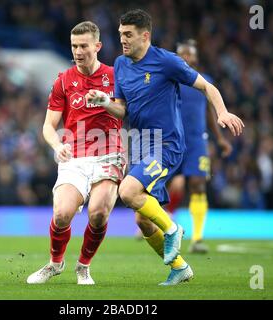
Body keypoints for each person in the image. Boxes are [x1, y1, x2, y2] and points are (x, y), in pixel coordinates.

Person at [86, 9, 244, 285]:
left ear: (145, 36)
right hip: (139, 145)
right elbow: (122, 110)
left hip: (166, 144)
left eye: (128, 35)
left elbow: (208, 87)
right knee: (143, 221)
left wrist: (222, 113)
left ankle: (173, 229)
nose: (122, 39)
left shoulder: (167, 62)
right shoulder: (121, 65)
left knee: (128, 191)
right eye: (121, 34)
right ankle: (180, 267)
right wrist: (104, 102)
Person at [27, 21, 124, 285]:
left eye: (83, 46)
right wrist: (57, 145)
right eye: (74, 46)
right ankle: (55, 264)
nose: (78, 51)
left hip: (108, 153)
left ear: (97, 46)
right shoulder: (64, 80)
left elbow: (125, 112)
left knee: (98, 213)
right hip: (75, 156)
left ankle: (83, 267)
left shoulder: (116, 76)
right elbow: (48, 126)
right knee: (61, 215)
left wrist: (105, 102)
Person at [164, 40, 233, 254]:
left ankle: (197, 238)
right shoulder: (169, 79)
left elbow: (208, 112)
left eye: (189, 53)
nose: (185, 56)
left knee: (198, 184)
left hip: (197, 142)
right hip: (172, 140)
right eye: (181, 53)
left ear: (195, 58)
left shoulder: (205, 82)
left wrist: (220, 138)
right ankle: (156, 224)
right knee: (162, 183)